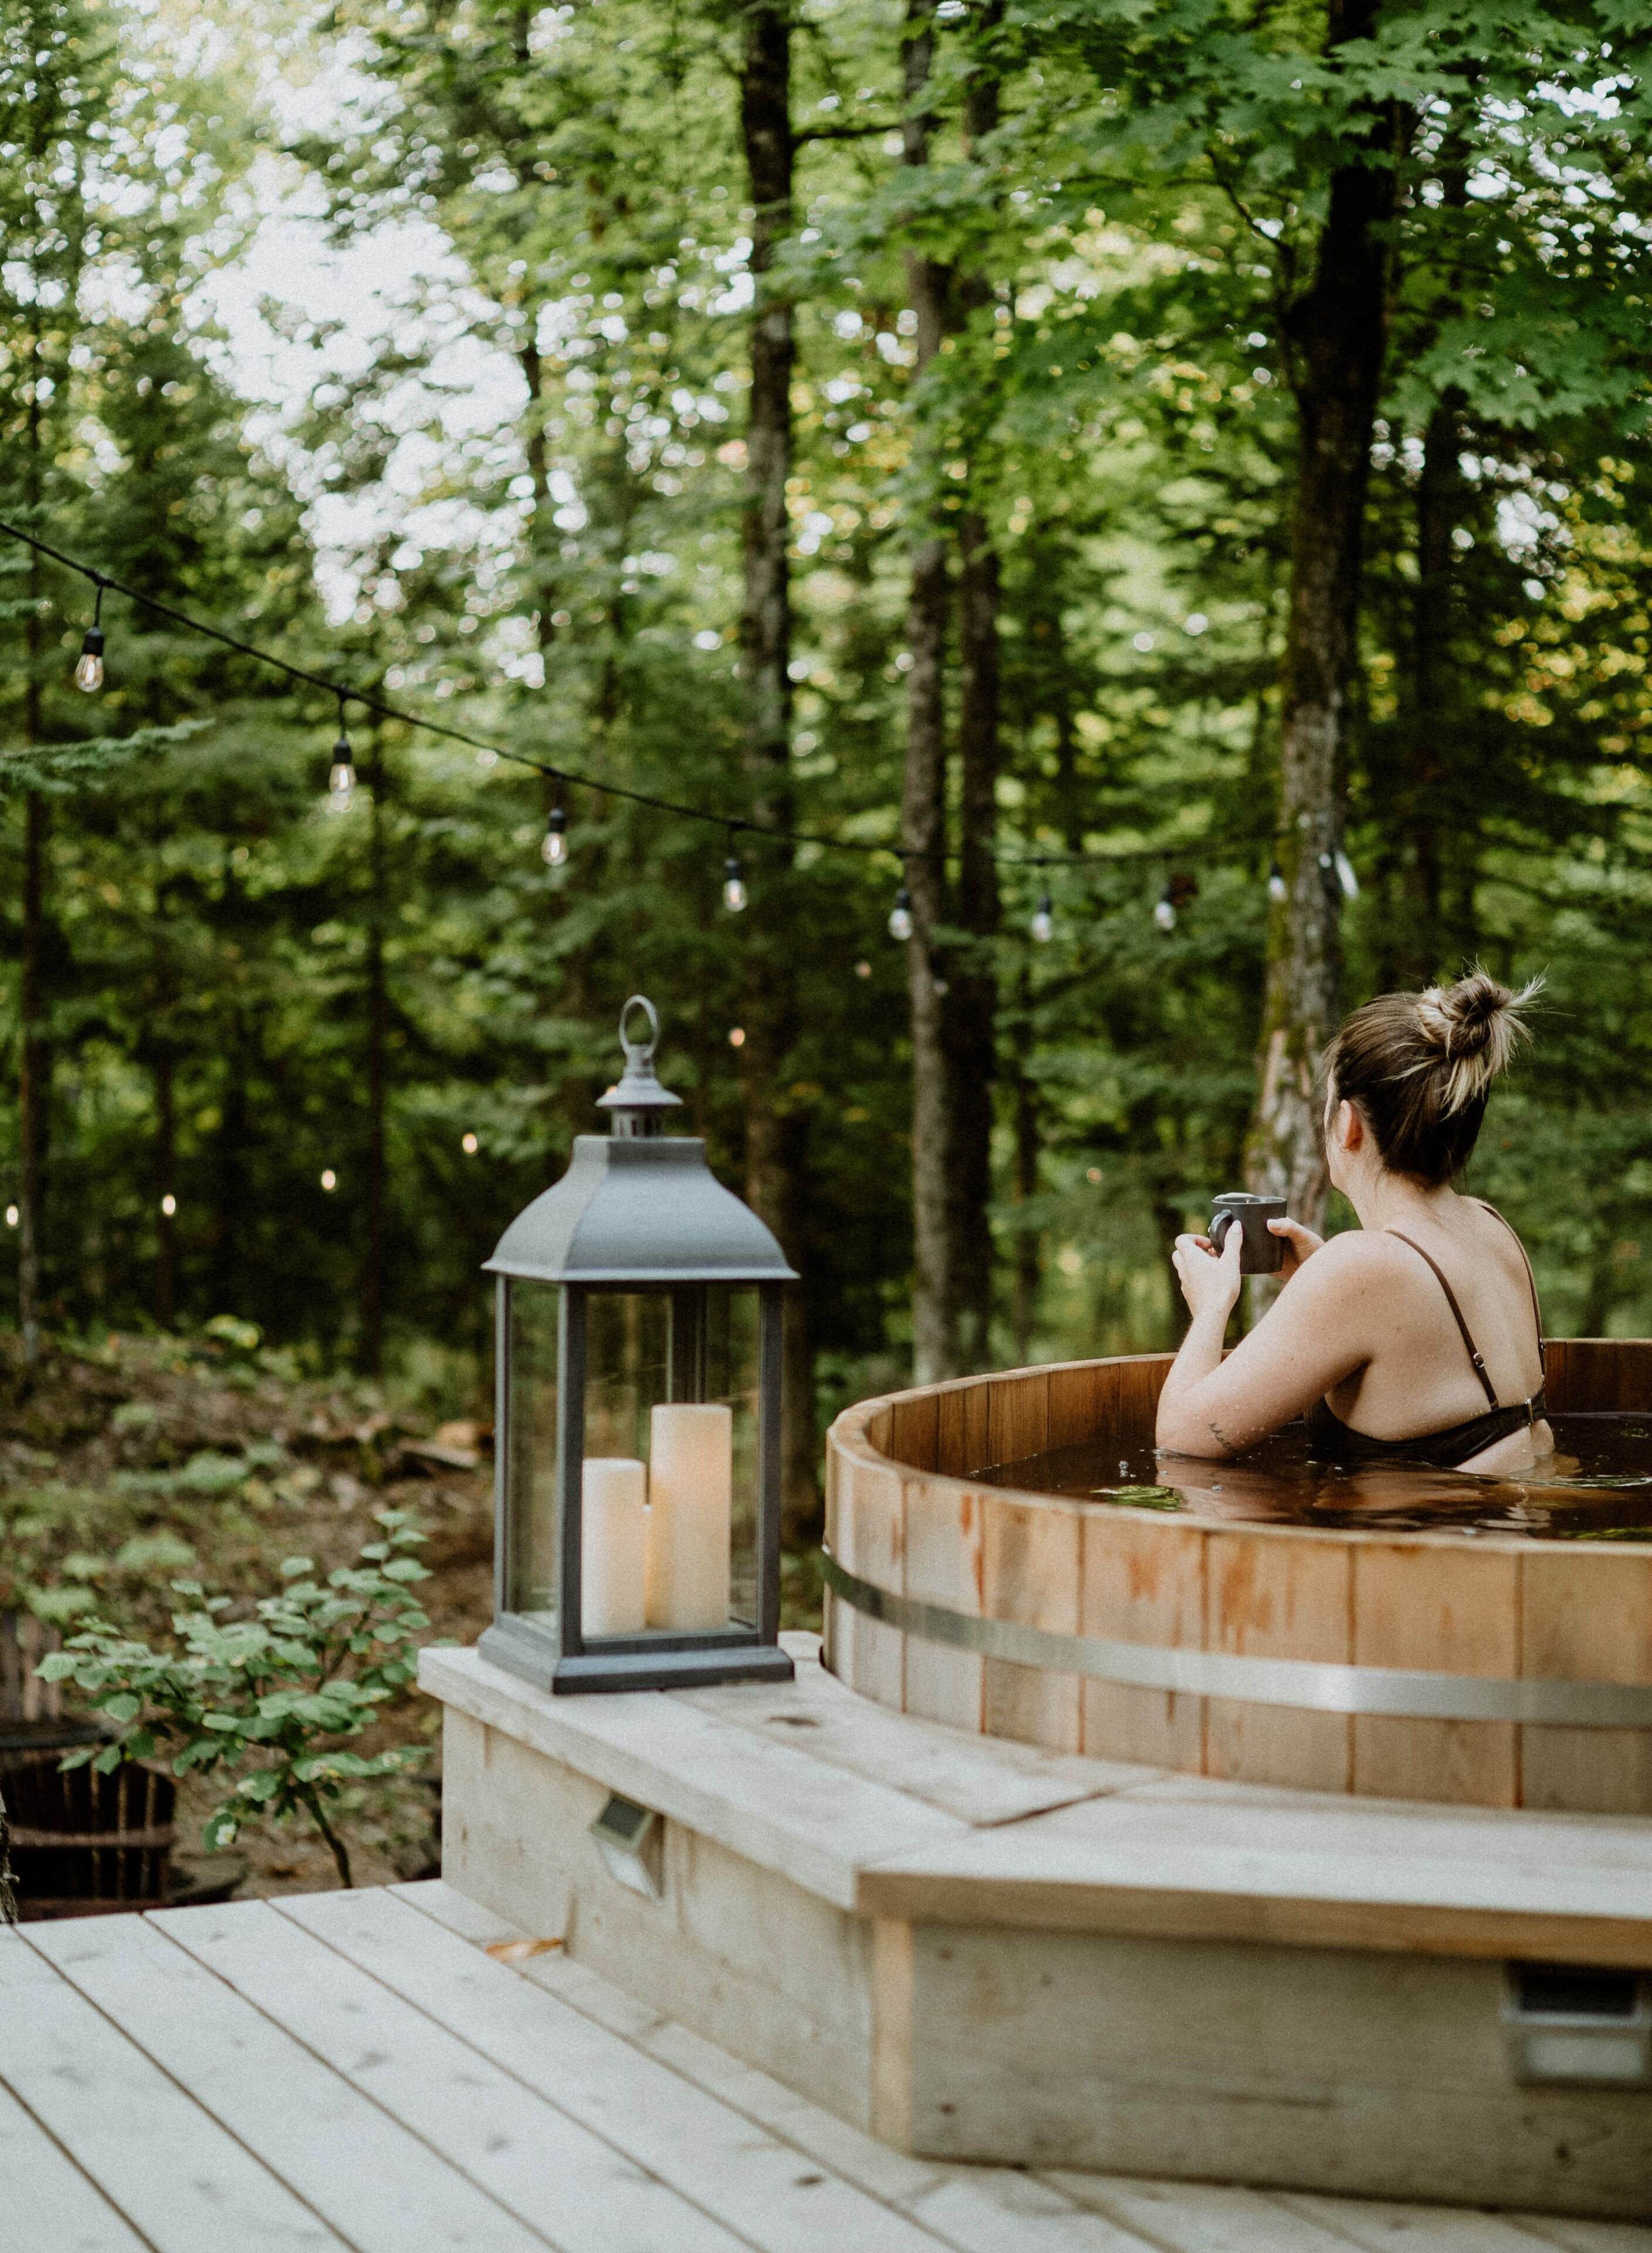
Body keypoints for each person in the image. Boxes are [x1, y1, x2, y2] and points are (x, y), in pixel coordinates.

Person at [1156, 969, 1551, 1475]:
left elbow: (1181, 1442)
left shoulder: (1362, 1267)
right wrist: (1325, 1276)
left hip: (1431, 1550)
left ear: (1346, 1124)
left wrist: (1212, 1304)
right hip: (1512, 1536)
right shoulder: (1492, 1229)